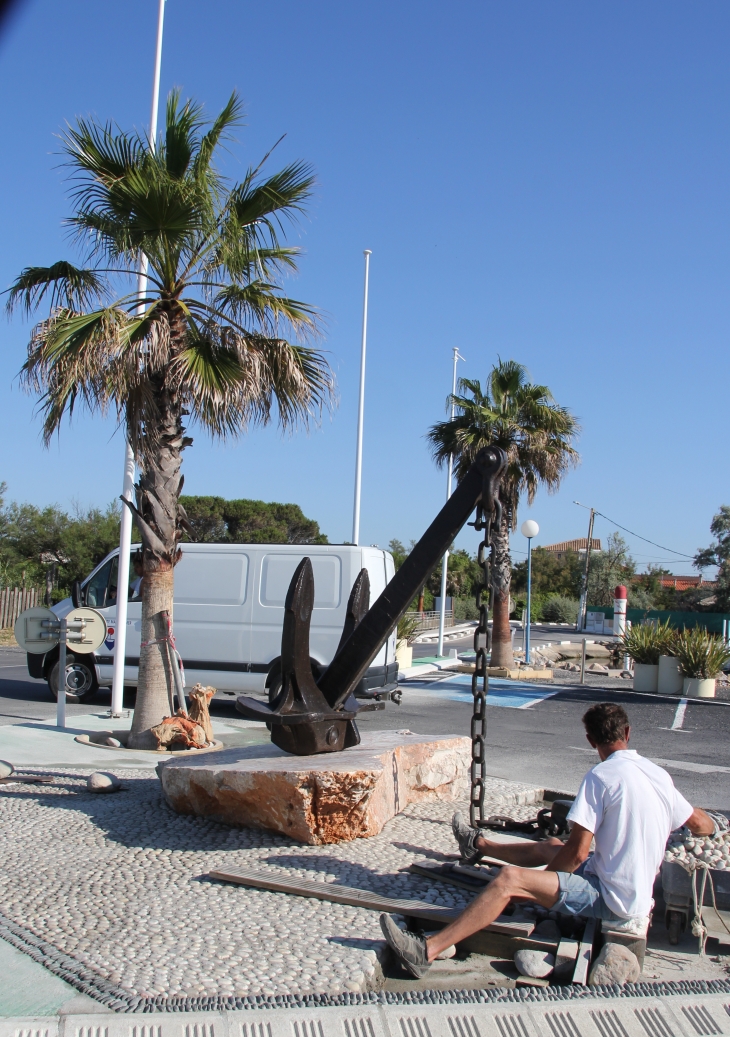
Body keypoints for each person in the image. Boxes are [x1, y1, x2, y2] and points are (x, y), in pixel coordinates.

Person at [380, 701, 718, 977]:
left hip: (613, 902)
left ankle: (426, 950)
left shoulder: (600, 777)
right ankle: (479, 846)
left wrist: (535, 888)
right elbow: (701, 823)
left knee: (509, 880)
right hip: (633, 893)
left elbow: (577, 854)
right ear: (628, 733)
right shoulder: (658, 775)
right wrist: (714, 830)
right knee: (552, 846)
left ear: (590, 740)